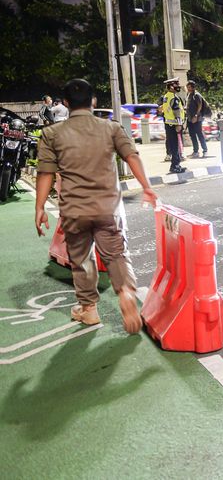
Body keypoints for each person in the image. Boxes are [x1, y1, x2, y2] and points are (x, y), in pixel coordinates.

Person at [34, 78, 158, 334]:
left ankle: (88, 309)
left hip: (74, 210)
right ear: (93, 101)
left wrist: (40, 209)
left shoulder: (51, 134)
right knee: (116, 255)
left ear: (66, 104)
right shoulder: (110, 128)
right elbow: (131, 155)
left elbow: (45, 173)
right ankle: (124, 291)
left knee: (82, 260)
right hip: (107, 209)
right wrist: (147, 186)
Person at [160, 77, 186, 173]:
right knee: (175, 146)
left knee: (173, 145)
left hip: (169, 124)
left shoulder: (166, 96)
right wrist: (179, 124)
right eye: (176, 85)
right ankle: (175, 166)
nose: (178, 86)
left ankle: (176, 165)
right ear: (171, 86)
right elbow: (176, 111)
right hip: (174, 125)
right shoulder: (173, 97)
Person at [185, 80, 208, 158]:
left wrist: (196, 116)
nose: (188, 88)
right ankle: (195, 151)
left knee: (199, 134)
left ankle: (205, 150)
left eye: (189, 87)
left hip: (196, 119)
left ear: (193, 87)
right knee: (192, 135)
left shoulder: (196, 95)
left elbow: (200, 105)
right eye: (187, 87)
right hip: (190, 119)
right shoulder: (189, 94)